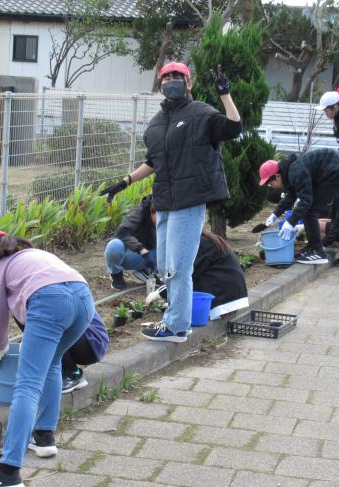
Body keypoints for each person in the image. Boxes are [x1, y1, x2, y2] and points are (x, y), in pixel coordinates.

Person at [100, 62, 242, 343]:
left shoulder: (201, 112)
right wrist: (125, 181)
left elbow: (233, 128)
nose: (172, 81)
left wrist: (225, 94)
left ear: (189, 83)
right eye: (167, 77)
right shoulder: (156, 124)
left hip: (190, 201)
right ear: (159, 83)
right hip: (163, 202)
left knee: (177, 266)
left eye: (178, 77)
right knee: (165, 265)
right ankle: (174, 318)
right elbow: (153, 162)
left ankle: (177, 326)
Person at [0, 229, 94, 487]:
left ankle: (7, 472)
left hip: (50, 301)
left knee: (28, 382)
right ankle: (44, 437)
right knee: (53, 361)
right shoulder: (31, 254)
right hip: (83, 298)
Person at [258, 148, 339, 265]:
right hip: (335, 171)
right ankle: (312, 247)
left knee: (310, 210)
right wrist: (275, 214)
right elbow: (290, 196)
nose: (272, 186)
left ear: (277, 176)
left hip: (337, 172)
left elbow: (306, 200)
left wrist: (290, 222)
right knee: (308, 209)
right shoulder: (289, 173)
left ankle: (318, 252)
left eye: (270, 183)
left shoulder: (295, 172)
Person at [12, 311, 109, 396]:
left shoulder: (45, 293)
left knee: (48, 324)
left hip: (92, 341)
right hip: (77, 338)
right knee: (27, 317)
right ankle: (57, 372)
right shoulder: (21, 301)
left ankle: (71, 373)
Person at [146, 229, 247, 309]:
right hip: (231, 296)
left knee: (188, 277)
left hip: (222, 299)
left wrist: (159, 293)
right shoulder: (205, 238)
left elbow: (184, 274)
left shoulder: (201, 243)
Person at [104, 194, 157, 290]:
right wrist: (142, 250)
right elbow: (123, 232)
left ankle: (148, 272)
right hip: (130, 253)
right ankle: (116, 275)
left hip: (151, 254)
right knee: (114, 246)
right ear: (151, 211)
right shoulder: (139, 212)